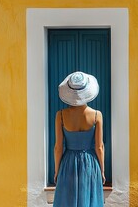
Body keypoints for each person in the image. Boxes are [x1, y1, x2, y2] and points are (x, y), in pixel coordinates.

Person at [53, 71, 105, 207]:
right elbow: (99, 147)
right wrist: (102, 171)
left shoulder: (61, 115)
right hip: (90, 164)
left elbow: (58, 147)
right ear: (87, 92)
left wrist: (57, 170)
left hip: (68, 163)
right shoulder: (96, 115)